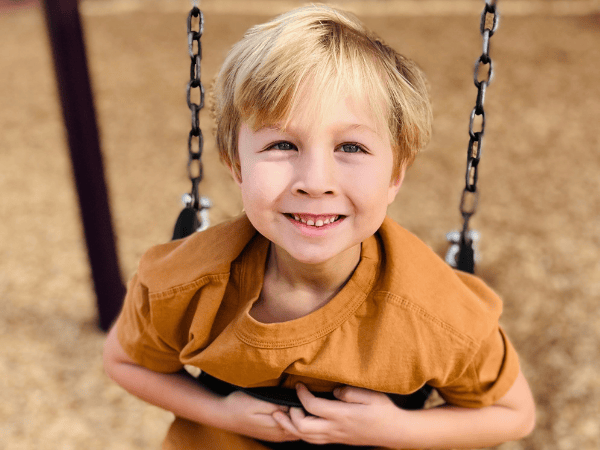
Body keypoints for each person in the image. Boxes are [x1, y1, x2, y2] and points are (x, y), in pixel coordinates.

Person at [103, 5, 535, 449]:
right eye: (281, 144)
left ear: (395, 175)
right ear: (237, 166)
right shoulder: (181, 286)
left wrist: (394, 430)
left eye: (350, 146)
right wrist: (220, 411)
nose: (316, 183)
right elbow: (125, 362)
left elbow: (513, 414)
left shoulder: (437, 315)